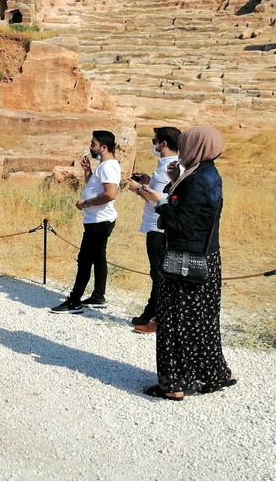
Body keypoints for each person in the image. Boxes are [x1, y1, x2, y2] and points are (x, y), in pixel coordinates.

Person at [136, 126, 235, 400]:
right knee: (203, 321)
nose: (183, 149)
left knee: (173, 322)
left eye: (187, 144)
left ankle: (174, 384)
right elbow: (197, 211)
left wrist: (159, 201)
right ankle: (214, 373)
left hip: (184, 259)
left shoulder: (196, 180)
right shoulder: (207, 173)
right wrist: (175, 181)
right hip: (206, 257)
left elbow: (181, 222)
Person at [51, 130, 121, 314]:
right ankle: (98, 296)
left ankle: (74, 301)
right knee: (98, 258)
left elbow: (110, 194)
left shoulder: (108, 167)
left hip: (99, 222)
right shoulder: (105, 165)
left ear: (104, 147)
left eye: (93, 144)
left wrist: (86, 203)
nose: (91, 147)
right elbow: (96, 187)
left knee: (84, 260)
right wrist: (88, 171)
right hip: (98, 220)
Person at [126, 127, 182, 331]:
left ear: (164, 144)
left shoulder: (168, 168)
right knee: (158, 274)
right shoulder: (174, 166)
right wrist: (149, 183)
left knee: (159, 276)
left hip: (157, 227)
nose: (153, 144)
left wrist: (138, 189)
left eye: (155, 140)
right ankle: (149, 313)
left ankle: (159, 320)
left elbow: (157, 200)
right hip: (159, 226)